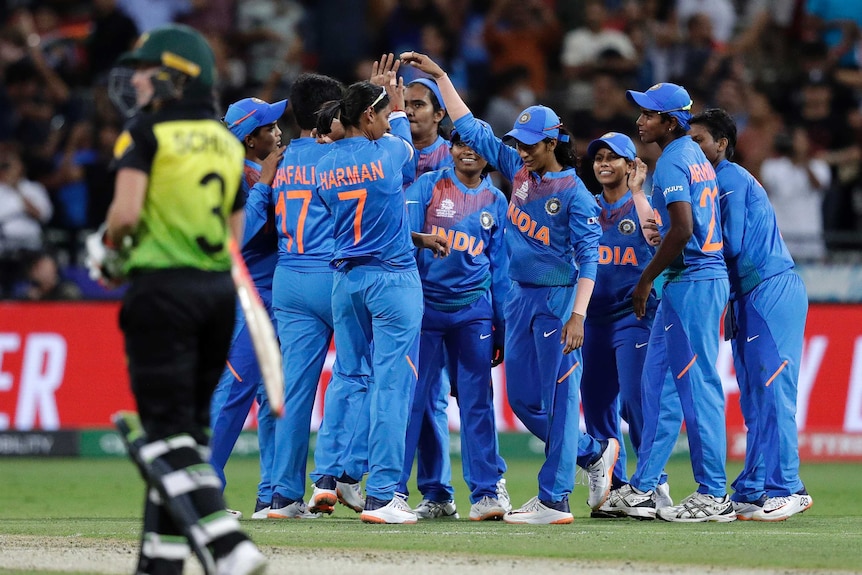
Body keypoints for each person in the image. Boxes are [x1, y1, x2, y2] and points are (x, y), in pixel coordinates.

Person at [400, 50, 619, 525]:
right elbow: (473, 128)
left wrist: (578, 314)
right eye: (518, 143)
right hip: (520, 299)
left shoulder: (575, 195)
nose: (520, 151)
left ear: (555, 142)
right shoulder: (519, 174)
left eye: (531, 144)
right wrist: (440, 75)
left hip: (559, 301)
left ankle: (554, 499)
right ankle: (593, 454)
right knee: (522, 401)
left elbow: (589, 261)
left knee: (560, 401)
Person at [87, 24, 266, 574]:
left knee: (164, 435)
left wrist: (110, 253)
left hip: (162, 291)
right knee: (187, 435)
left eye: (146, 71)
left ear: (174, 76)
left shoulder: (144, 131)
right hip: (217, 296)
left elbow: (123, 215)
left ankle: (226, 545)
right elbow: (236, 233)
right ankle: (158, 563)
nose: (137, 81)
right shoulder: (222, 139)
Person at [314, 79, 448, 524]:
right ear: (369, 116)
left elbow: (364, 214)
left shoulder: (323, 162)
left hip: (346, 280)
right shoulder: (389, 151)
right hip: (392, 281)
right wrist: (392, 99)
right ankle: (384, 495)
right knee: (392, 385)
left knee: (349, 379)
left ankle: (328, 477)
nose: (397, 115)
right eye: (388, 111)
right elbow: (406, 154)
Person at [603, 82, 732, 523]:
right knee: (656, 387)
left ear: (670, 121)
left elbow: (682, 229)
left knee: (698, 388)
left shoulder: (676, 160)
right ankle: (644, 487)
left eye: (648, 115)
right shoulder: (694, 157)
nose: (640, 121)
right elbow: (683, 226)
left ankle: (714, 492)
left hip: (692, 281)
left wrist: (645, 279)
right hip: (687, 280)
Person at [689, 108, 813, 521]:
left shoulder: (728, 181)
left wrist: (679, 251)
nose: (692, 148)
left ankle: (789, 487)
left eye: (700, 140)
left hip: (769, 290)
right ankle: (755, 486)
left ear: (722, 145)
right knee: (756, 396)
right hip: (745, 296)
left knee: (775, 391)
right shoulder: (712, 182)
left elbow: (734, 245)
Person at [400, 128, 511, 521]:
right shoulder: (427, 186)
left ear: (489, 155)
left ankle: (485, 493)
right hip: (426, 308)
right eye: (462, 145)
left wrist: (499, 323)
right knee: (413, 400)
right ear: (450, 148)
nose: (468, 152)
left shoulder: (497, 200)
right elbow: (401, 243)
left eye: (477, 146)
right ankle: (396, 491)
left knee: (477, 401)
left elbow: (500, 267)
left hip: (474, 311)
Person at [259, 72, 349, 520]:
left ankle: (282, 495)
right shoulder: (337, 159)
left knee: (294, 391)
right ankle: (334, 476)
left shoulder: (280, 158)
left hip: (286, 277)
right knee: (357, 374)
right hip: (331, 273)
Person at [579, 132, 674, 516]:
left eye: (612, 158)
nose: (603, 163)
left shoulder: (644, 206)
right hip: (593, 322)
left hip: (633, 318)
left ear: (630, 165)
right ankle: (614, 487)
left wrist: (637, 191)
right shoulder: (585, 206)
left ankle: (654, 483)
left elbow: (657, 239)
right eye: (598, 157)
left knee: (637, 403)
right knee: (598, 405)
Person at [208, 95, 286, 520]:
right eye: (270, 128)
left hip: (277, 297)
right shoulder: (230, 176)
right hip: (247, 298)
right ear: (250, 138)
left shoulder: (257, 171)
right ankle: (204, 492)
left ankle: (273, 493)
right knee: (231, 392)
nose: (278, 132)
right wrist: (264, 185)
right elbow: (236, 238)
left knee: (273, 395)